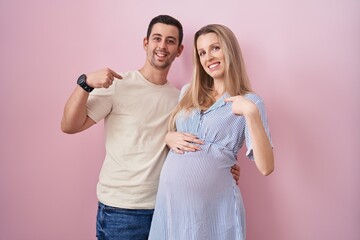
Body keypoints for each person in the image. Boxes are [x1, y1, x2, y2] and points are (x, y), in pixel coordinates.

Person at [61, 15, 239, 240]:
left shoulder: (182, 98)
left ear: (180, 50)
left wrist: (224, 167)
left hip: (168, 207)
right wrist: (84, 84)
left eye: (170, 41)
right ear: (146, 43)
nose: (162, 46)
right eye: (157, 38)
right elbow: (69, 125)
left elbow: (199, 144)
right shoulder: (118, 84)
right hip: (122, 211)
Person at [148, 24, 274, 240]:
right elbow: (175, 132)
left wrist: (251, 113)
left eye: (215, 48)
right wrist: (169, 137)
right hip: (171, 205)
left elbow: (266, 167)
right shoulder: (188, 91)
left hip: (214, 210)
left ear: (229, 50)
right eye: (202, 52)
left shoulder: (251, 102)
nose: (208, 57)